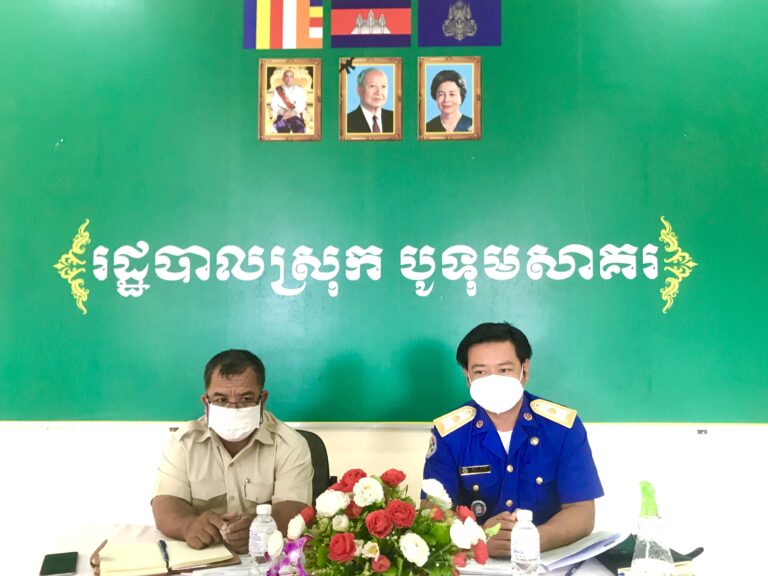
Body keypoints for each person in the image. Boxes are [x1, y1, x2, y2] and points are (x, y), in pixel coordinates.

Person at [422, 322, 603, 556]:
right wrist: (478, 538)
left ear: (524, 370)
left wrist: (533, 539)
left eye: (504, 370)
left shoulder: (562, 428)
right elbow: (431, 511)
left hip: (546, 560)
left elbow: (582, 512)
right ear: (467, 377)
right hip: (477, 563)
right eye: (480, 372)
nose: (493, 380)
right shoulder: (449, 433)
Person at [152, 349, 313, 554]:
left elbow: (295, 508)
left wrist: (261, 528)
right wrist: (188, 526)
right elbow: (166, 504)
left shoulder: (290, 444)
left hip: (265, 556)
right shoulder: (183, 443)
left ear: (262, 400)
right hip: (202, 556)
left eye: (245, 399)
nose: (233, 408)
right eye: (221, 399)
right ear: (206, 402)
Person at [346, 67, 393, 133]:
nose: (379, 92)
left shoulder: (395, 118)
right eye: (372, 86)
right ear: (359, 90)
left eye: (383, 86)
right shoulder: (346, 122)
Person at [270, 69, 307, 133]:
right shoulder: (278, 90)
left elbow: (302, 104)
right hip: (282, 115)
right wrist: (283, 112)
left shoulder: (300, 90)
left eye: (291, 76)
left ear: (293, 78)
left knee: (299, 130)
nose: (289, 79)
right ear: (283, 78)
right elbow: (273, 104)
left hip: (295, 115)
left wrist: (293, 112)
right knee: (281, 130)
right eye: (286, 76)